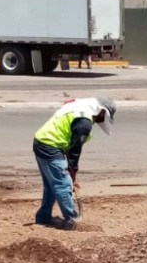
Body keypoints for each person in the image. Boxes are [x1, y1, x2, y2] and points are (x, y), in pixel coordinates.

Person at [32, 97, 115, 230]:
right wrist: (72, 170)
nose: (100, 121)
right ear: (102, 112)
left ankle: (43, 216)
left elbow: (70, 145)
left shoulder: (79, 108)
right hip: (50, 146)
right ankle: (72, 220)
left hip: (42, 141)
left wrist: (71, 170)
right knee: (63, 185)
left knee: (51, 184)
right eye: (103, 117)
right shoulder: (84, 122)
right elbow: (75, 151)